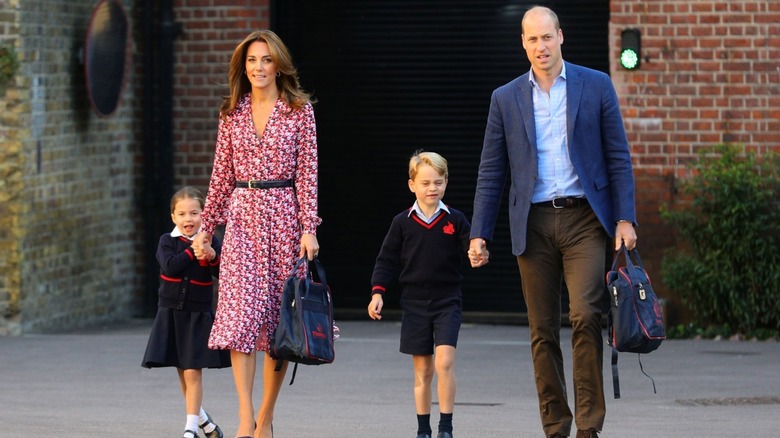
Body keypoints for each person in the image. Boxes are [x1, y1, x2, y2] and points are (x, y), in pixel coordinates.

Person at [468, 6, 638, 438]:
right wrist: (479, 233)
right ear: (522, 44)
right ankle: (556, 425)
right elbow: (492, 170)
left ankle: (589, 426)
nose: (540, 47)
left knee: (585, 315)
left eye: (547, 37)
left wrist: (624, 219)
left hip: (584, 219)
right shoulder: (505, 98)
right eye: (532, 40)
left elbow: (618, 157)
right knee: (542, 329)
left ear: (561, 36)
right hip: (534, 222)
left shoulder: (595, 85)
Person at [192, 29, 321, 438]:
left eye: (266, 60)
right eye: (251, 60)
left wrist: (309, 228)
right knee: (239, 318)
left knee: (278, 326)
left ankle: (266, 416)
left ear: (278, 64)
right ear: (242, 67)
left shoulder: (299, 111)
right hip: (243, 219)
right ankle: (246, 418)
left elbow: (308, 175)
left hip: (285, 218)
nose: (259, 67)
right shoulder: (231, 112)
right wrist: (206, 228)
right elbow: (220, 177)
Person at [368, 151, 472, 438]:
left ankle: (446, 428)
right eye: (425, 183)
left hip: (447, 300)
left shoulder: (456, 220)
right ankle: (423, 429)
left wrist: (478, 252)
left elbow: (471, 249)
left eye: (438, 182)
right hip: (414, 304)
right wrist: (378, 293)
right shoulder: (402, 222)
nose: (432, 188)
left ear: (446, 183)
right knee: (424, 371)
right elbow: (386, 260)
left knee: (445, 362)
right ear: (412, 184)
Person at [142, 186, 231, 438]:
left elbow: (222, 272)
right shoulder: (166, 241)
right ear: (173, 217)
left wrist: (212, 255)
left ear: (203, 214)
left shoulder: (210, 240)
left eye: (194, 213)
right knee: (182, 370)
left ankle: (190, 429)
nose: (188, 219)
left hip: (197, 313)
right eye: (181, 214)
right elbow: (170, 268)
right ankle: (205, 423)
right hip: (170, 311)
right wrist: (193, 250)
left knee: (192, 370)